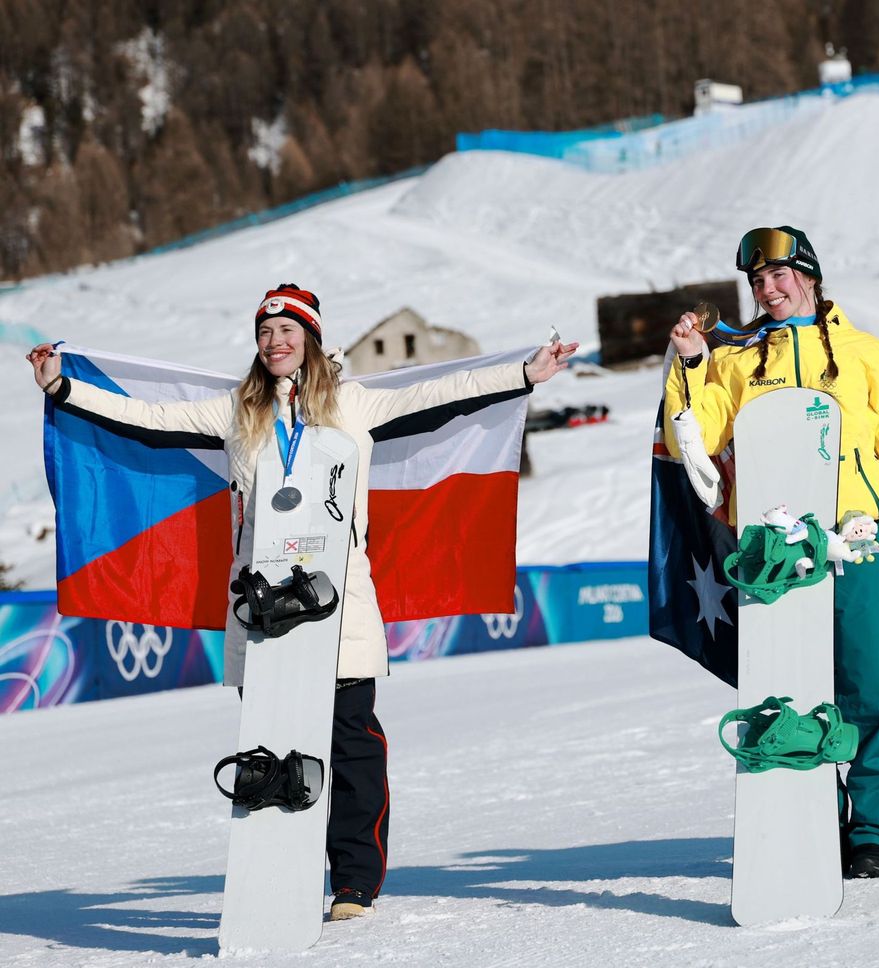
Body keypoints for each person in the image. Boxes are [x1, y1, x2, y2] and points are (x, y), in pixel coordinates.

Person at [27, 284, 577, 917]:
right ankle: (279, 874)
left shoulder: (353, 403)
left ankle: (354, 881)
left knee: (350, 741)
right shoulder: (238, 411)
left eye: (287, 331)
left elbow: (434, 396)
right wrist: (61, 388)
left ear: (311, 340)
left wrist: (523, 374)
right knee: (274, 743)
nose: (275, 342)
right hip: (260, 610)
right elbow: (151, 420)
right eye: (264, 333)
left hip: (340, 604)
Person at [662, 227, 879, 878]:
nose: (767, 290)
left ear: (808, 274)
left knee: (876, 685)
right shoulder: (736, 358)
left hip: (857, 538)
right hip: (773, 553)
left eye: (777, 275)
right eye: (756, 281)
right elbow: (691, 442)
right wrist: (693, 362)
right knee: (788, 691)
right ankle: (805, 820)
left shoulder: (864, 353)